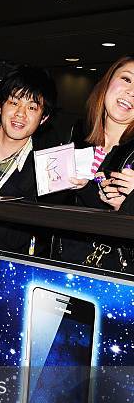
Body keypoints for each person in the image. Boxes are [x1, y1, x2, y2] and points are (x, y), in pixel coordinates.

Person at [59, 55, 134, 270]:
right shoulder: (76, 133)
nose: (131, 91)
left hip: (115, 276)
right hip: (62, 262)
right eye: (126, 79)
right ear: (108, 82)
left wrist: (128, 202)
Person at [0, 64, 57, 255]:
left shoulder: (47, 168)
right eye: (14, 103)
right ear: (0, 105)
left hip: (2, 268)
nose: (20, 114)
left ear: (44, 118)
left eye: (32, 107)